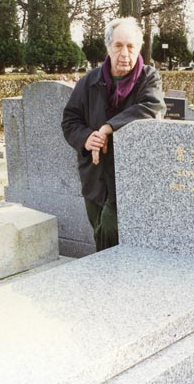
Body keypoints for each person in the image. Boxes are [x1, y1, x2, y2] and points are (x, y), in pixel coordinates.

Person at [62, 17, 166, 252]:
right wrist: (87, 138)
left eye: (131, 46)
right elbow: (70, 120)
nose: (124, 54)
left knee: (111, 231)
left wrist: (108, 127)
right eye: (118, 46)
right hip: (95, 175)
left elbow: (152, 107)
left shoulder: (148, 77)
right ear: (108, 47)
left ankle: (109, 273)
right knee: (99, 230)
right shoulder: (90, 81)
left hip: (130, 176)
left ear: (139, 48)